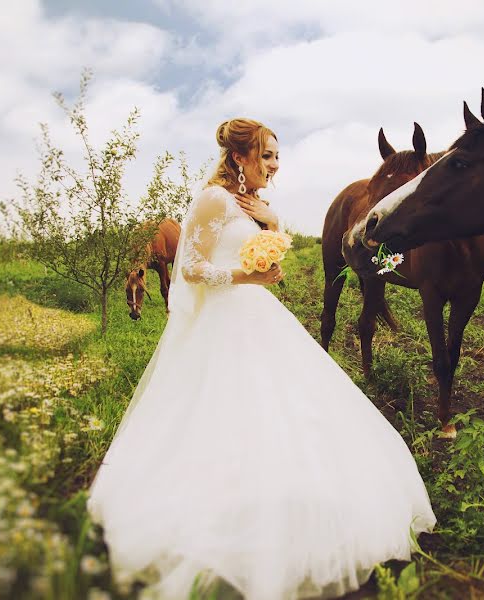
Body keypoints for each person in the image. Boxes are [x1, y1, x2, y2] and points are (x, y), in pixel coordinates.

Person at [86, 118, 436, 599]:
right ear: (239, 158)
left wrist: (271, 225)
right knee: (227, 408)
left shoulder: (257, 206)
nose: (274, 165)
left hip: (258, 313)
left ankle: (285, 495)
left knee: (291, 407)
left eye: (277, 157)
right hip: (226, 318)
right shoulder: (213, 200)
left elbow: (265, 260)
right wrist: (248, 278)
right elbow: (191, 267)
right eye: (267, 156)